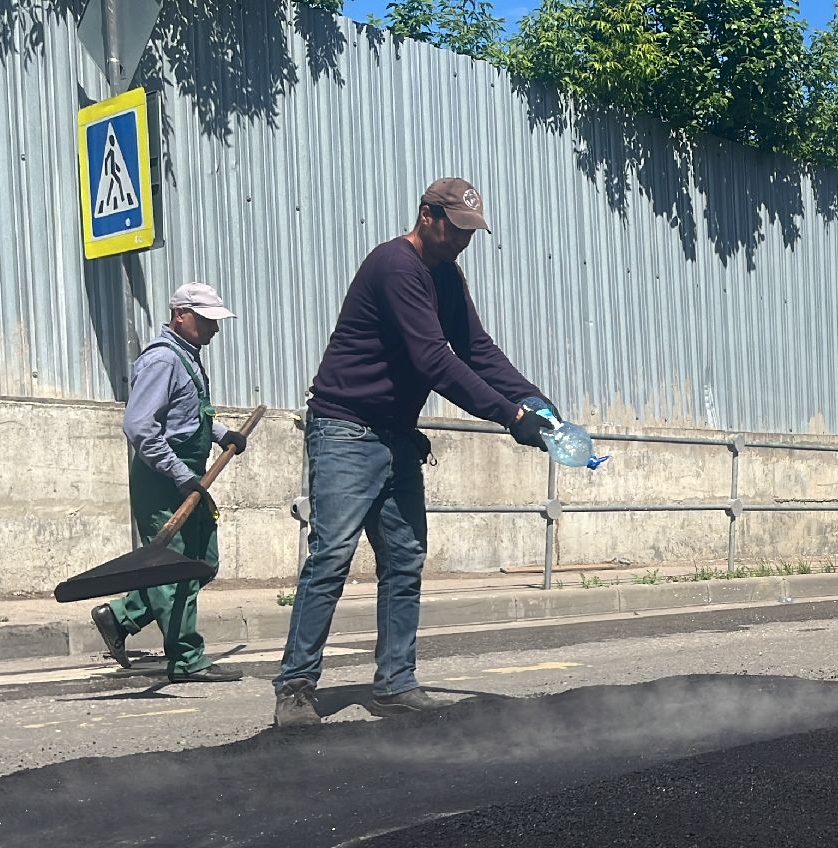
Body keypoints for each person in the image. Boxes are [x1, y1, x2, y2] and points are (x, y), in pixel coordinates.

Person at [272, 178, 559, 728]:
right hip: (345, 429)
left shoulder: (445, 275)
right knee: (331, 556)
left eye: (471, 233)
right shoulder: (395, 266)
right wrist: (509, 416)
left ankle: (395, 683)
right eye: (455, 229)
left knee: (403, 560)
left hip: (396, 435)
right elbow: (434, 360)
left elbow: (476, 349)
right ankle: (295, 685)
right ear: (427, 216)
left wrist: (534, 400)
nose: (462, 243)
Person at [88, 282, 247, 683]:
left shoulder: (187, 358)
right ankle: (187, 658)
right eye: (207, 320)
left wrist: (222, 434)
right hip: (163, 480)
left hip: (189, 477)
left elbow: (190, 415)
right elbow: (139, 426)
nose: (214, 329)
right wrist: (180, 476)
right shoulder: (162, 361)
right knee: (171, 571)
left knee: (203, 563)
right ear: (181, 315)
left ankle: (120, 616)